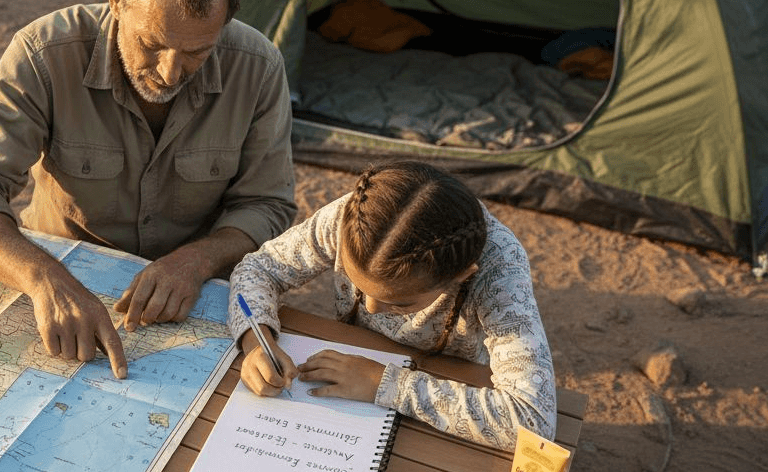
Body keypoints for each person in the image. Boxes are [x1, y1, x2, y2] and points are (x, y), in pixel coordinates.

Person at [0, 0, 297, 380]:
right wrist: (45, 281)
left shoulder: (258, 68)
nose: (168, 72)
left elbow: (267, 204)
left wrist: (197, 261)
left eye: (197, 53)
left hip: (192, 304)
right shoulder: (44, 54)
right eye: (151, 43)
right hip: (60, 282)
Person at [228, 160, 556, 450]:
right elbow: (258, 268)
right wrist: (257, 342)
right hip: (354, 363)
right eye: (359, 287)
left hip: (448, 380)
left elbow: (532, 421)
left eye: (399, 303)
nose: (370, 309)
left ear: (459, 276)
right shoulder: (353, 221)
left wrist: (385, 383)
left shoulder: (499, 266)